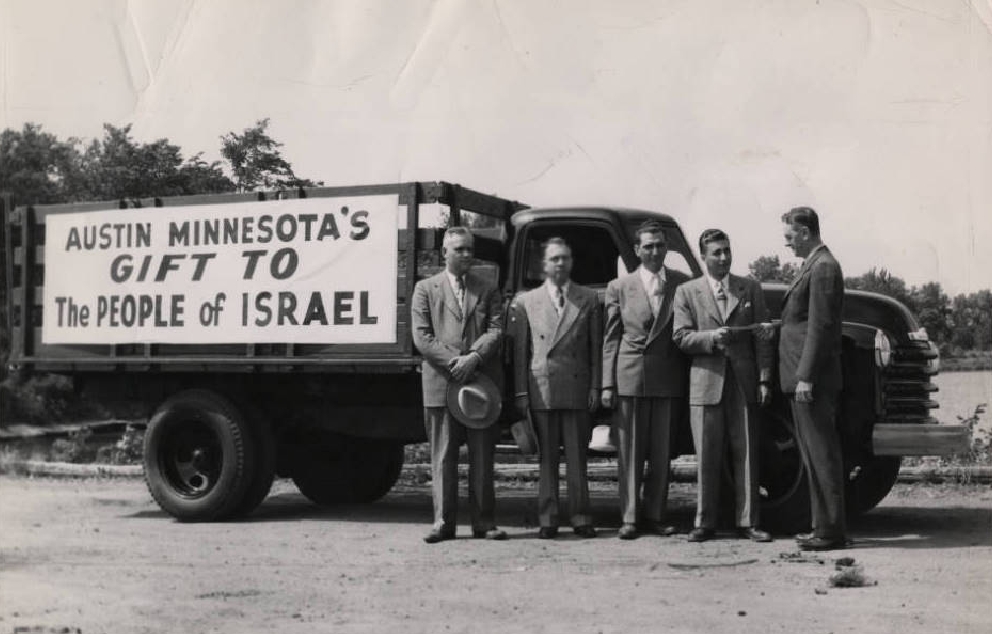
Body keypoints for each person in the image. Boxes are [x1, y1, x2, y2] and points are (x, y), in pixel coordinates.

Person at [673, 229, 774, 543]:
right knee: (706, 455)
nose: (723, 257)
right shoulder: (687, 292)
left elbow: (763, 338)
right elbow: (680, 337)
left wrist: (764, 379)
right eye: (716, 253)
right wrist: (710, 339)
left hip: (743, 383)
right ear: (703, 258)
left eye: (727, 251)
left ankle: (748, 522)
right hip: (705, 383)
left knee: (746, 453)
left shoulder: (750, 288)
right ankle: (705, 522)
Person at [411, 226, 507, 543]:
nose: (467, 254)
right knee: (442, 456)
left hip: (479, 386)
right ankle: (443, 523)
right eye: (460, 250)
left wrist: (474, 358)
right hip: (441, 383)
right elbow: (422, 337)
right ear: (445, 253)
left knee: (482, 456)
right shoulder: (425, 289)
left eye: (470, 249)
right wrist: (455, 361)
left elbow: (496, 329)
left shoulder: (487, 288)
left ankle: (484, 523)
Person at [602, 220, 690, 540]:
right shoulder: (620, 287)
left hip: (668, 377)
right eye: (648, 246)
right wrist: (607, 384)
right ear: (637, 250)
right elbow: (611, 338)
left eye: (660, 245)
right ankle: (629, 518)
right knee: (630, 452)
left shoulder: (683, 284)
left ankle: (655, 514)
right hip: (631, 377)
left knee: (662, 452)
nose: (655, 251)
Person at [512, 238, 602, 539]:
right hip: (542, 388)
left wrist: (595, 387)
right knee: (547, 458)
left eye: (565, 258)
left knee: (577, 458)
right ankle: (547, 519)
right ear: (544, 265)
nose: (560, 263)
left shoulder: (588, 298)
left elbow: (595, 349)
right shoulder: (526, 301)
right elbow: (520, 352)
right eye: (554, 259)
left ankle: (581, 517)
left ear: (572, 262)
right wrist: (522, 393)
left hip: (577, 387)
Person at [779, 207, 848, 551]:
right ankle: (822, 526)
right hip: (802, 379)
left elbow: (820, 328)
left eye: (790, 237)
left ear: (805, 232)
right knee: (813, 455)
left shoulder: (822, 268)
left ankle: (830, 531)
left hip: (811, 381)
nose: (787, 244)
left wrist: (805, 376)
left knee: (821, 454)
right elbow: (802, 322)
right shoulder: (816, 265)